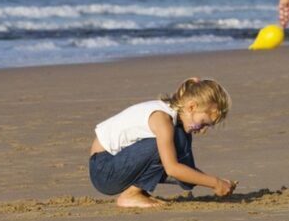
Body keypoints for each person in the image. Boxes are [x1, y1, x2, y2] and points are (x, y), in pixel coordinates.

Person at [89, 78, 237, 208]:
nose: (202, 130)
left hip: (119, 164)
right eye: (203, 123)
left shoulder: (176, 121)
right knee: (168, 146)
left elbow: (183, 170)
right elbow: (172, 168)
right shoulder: (162, 119)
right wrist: (215, 183)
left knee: (185, 169)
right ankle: (130, 195)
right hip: (104, 169)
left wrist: (215, 181)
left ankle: (138, 191)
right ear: (191, 107)